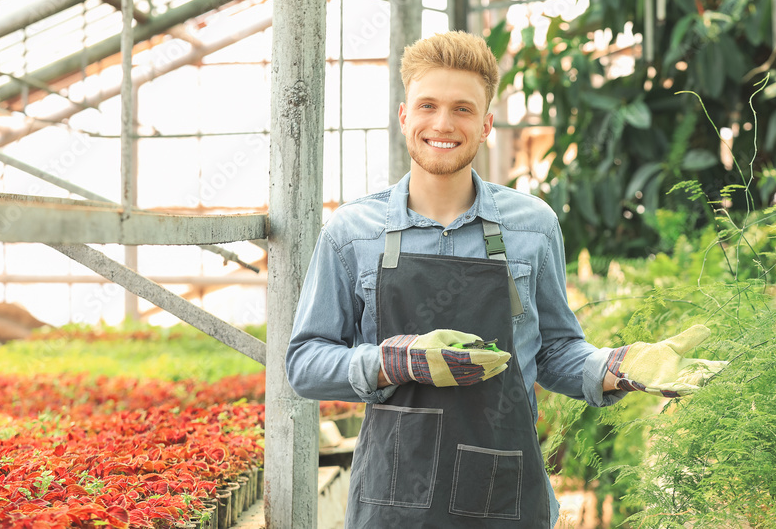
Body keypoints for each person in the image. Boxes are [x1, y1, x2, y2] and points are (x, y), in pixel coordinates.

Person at [286, 31, 724, 528]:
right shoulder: (353, 232)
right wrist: (393, 360)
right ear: (405, 115)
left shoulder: (530, 226)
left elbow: (554, 350)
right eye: (427, 105)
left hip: (504, 495)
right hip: (393, 499)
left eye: (463, 109)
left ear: (487, 123)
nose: (443, 124)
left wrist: (621, 364)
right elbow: (304, 362)